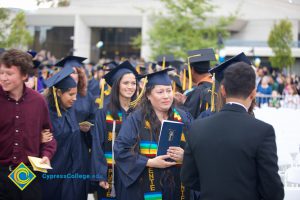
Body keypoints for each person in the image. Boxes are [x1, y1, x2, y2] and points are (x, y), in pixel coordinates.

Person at [181, 61, 284, 200]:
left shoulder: (198, 127)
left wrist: (213, 186)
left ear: (222, 90)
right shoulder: (263, 131)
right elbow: (273, 190)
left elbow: (188, 177)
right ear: (253, 92)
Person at [114, 68, 193, 200]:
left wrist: (186, 156)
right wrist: (149, 162)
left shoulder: (184, 117)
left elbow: (198, 149)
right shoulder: (136, 119)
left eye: (169, 91)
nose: (166, 96)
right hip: (145, 186)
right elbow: (120, 150)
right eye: (160, 92)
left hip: (179, 187)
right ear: (148, 95)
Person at [0, 49, 57, 200]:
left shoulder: (38, 101)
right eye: (1, 73)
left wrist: (46, 155)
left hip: (24, 171)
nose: (3, 78)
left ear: (24, 76)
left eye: (9, 74)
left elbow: (49, 137)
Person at [91, 60, 140, 199]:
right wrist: (100, 175)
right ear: (117, 85)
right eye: (126, 83)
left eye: (133, 83)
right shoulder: (103, 112)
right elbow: (97, 145)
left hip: (135, 172)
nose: (130, 87)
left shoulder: (140, 112)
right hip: (111, 172)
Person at [42, 66, 87, 200]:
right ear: (58, 93)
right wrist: (36, 137)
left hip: (72, 174)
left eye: (76, 94)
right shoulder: (45, 113)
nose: (75, 99)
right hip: (52, 175)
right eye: (71, 94)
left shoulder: (69, 111)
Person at [181, 48, 216, 118]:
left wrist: (180, 104)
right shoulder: (218, 86)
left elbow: (189, 118)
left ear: (192, 70)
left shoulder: (198, 92)